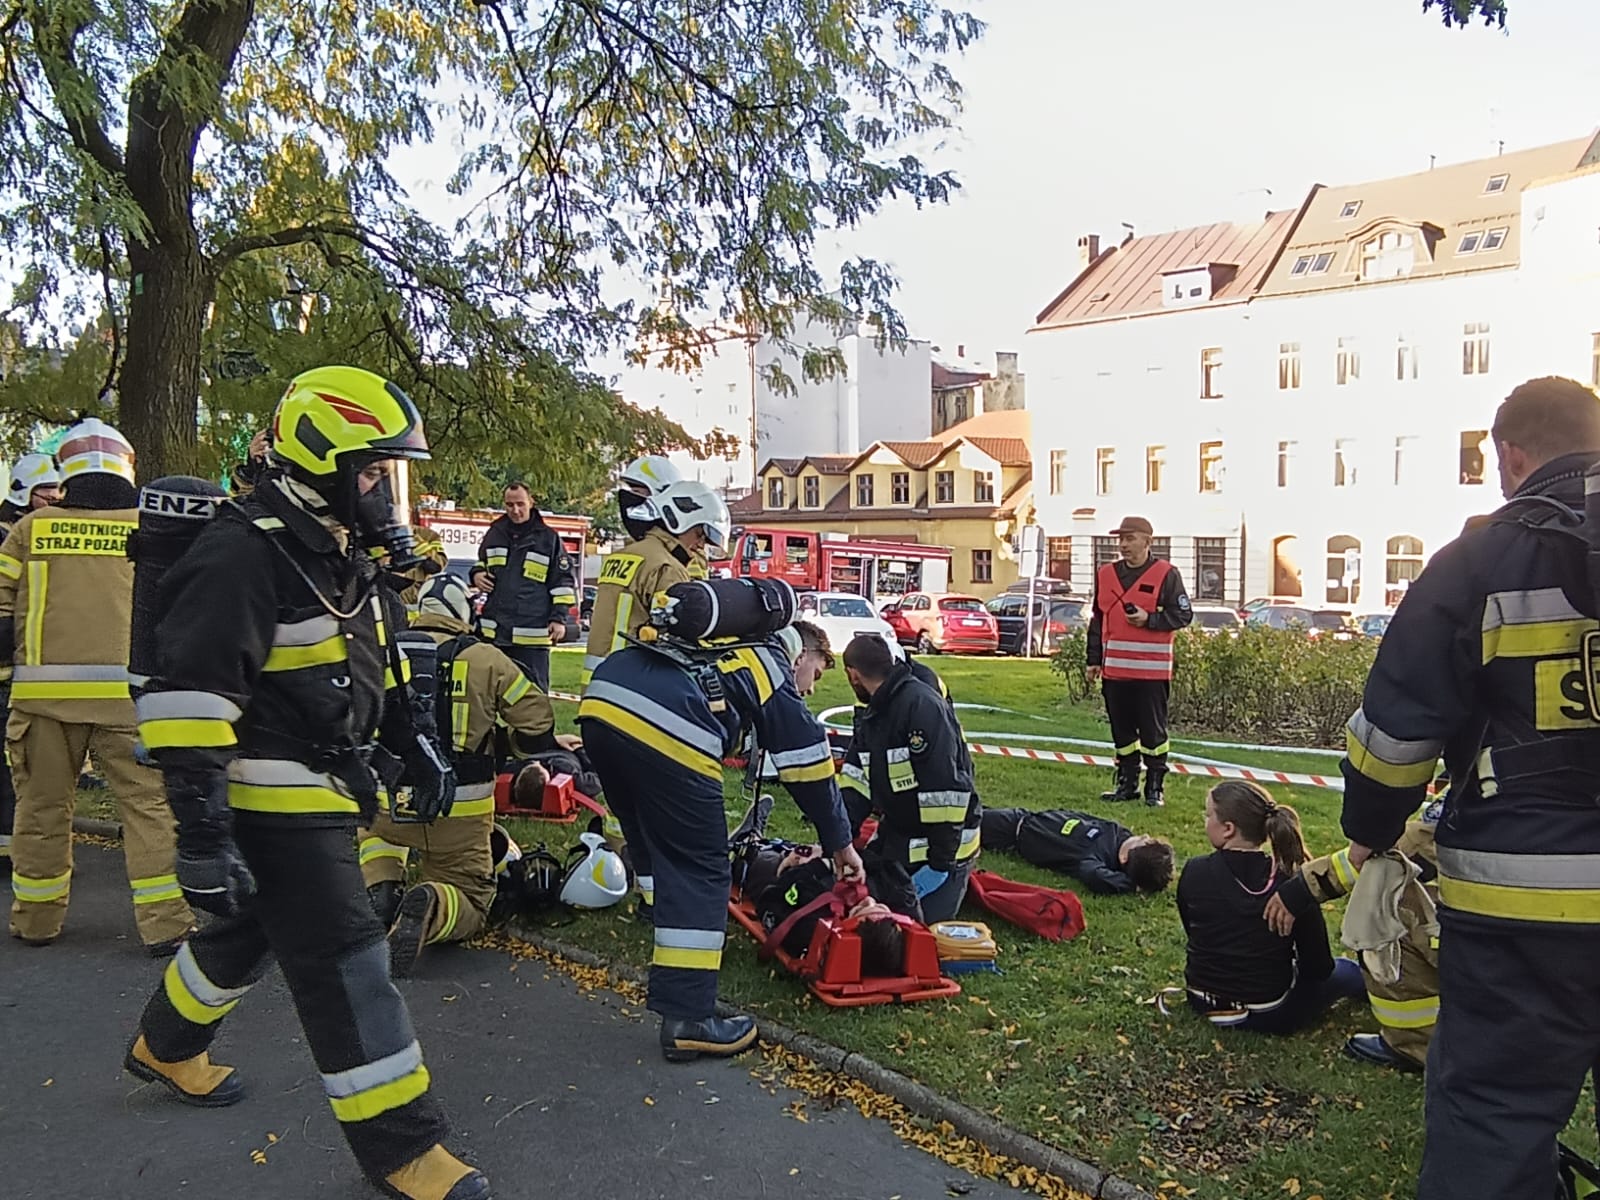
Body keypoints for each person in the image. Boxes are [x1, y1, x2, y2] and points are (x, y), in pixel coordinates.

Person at [123, 366, 489, 1200]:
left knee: (246, 930)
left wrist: (416, 744)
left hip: (323, 783)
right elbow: (187, 707)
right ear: (320, 460)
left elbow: (373, 666)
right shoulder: (240, 553)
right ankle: (405, 1148)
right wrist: (204, 837)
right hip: (266, 794)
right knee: (348, 967)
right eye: (371, 471)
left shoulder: (328, 550)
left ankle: (165, 1045)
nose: (384, 492)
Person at [1338, 377, 1600, 1198]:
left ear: (1512, 456)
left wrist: (1373, 826)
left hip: (1527, 909)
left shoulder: (1480, 561)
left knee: (1496, 1115)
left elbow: (1395, 739)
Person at [578, 613, 862, 1063]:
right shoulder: (771, 664)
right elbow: (808, 762)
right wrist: (839, 843)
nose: (810, 688)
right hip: (666, 723)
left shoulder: (729, 643)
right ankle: (689, 1020)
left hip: (602, 705)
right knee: (703, 869)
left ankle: (657, 914)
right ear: (803, 654)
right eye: (817, 673)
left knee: (648, 831)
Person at [0, 421, 193, 954]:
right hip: (132, 700)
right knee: (149, 810)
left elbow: (0, 612)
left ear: (66, 471)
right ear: (128, 466)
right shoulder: (153, 529)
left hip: (43, 702)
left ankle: (36, 921)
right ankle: (166, 925)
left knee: (40, 810)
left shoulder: (31, 530)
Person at [359, 573, 560, 977]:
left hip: (387, 801)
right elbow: (537, 723)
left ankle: (381, 889)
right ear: (463, 613)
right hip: (460, 812)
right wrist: (507, 747)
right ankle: (434, 904)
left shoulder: (380, 653)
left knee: (375, 838)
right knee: (473, 897)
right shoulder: (487, 659)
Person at [1177, 781, 1363, 1033]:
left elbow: (1193, 930)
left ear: (1228, 829)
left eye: (1208, 815)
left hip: (1201, 1001)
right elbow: (1318, 968)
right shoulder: (1293, 886)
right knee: (1346, 971)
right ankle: (1389, 992)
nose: (1205, 821)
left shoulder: (1194, 870)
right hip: (1271, 1013)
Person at [1264, 807, 1440, 1071]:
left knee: (1384, 920)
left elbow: (1383, 855)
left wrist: (1303, 889)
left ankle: (1415, 1044)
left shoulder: (1472, 797)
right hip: (1513, 936)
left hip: (1479, 940)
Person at [840, 633, 981, 924]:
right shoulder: (874, 715)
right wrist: (839, 841)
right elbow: (855, 785)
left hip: (947, 850)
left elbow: (946, 793)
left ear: (852, 675)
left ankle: (952, 881)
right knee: (862, 906)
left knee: (907, 925)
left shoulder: (921, 706)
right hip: (901, 836)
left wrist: (940, 864)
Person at [1086, 516, 1192, 807]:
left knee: (1153, 733)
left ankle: (1155, 787)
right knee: (1122, 732)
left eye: (1130, 538)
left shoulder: (1166, 574)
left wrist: (1150, 620)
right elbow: (1098, 619)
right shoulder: (1105, 574)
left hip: (1151, 673)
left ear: (1148, 541)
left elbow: (1183, 615)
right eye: (1121, 539)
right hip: (1115, 672)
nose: (1123, 545)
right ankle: (1127, 784)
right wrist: (1092, 659)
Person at [582, 479, 728, 687]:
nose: (701, 544)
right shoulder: (666, 567)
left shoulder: (622, 555)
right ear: (679, 521)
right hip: (632, 682)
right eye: (699, 533)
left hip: (597, 678)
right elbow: (678, 637)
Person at [0, 451, 60, 876]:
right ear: (23, 492)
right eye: (45, 491)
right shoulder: (11, 534)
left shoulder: (38, 530)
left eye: (58, 488)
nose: (54, 496)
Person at [469, 481, 577, 690]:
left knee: (533, 696)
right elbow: (482, 562)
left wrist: (558, 618)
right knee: (489, 694)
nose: (515, 510)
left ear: (531, 502)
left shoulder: (548, 539)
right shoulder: (495, 533)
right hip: (496, 634)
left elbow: (562, 582)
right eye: (509, 505)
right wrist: (477, 574)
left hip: (532, 637)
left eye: (520, 504)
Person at [743, 841, 911, 970]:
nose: (869, 900)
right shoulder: (900, 914)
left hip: (789, 875)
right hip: (835, 862)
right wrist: (831, 856)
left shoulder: (810, 928)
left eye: (859, 909)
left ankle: (743, 847)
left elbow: (771, 899)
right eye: (880, 906)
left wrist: (814, 866)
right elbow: (892, 870)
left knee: (766, 862)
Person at [980, 806, 1174, 895]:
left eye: (1144, 842)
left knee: (964, 819)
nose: (1145, 835)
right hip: (1026, 815)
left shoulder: (1093, 858)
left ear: (1124, 858)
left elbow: (1094, 875)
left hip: (1012, 830)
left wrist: (1133, 885)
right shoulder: (1118, 832)